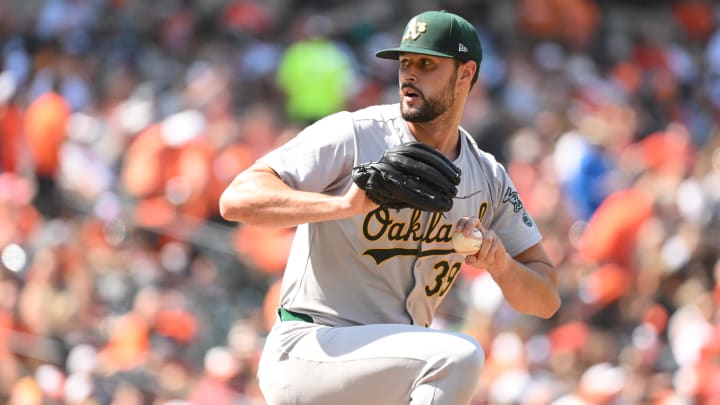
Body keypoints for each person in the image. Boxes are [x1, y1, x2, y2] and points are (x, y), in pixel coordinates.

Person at [219, 10, 560, 405]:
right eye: (404, 63)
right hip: (311, 347)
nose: (409, 75)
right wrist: (342, 205)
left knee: (445, 359)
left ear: (466, 74)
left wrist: (501, 264)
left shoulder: (488, 176)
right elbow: (237, 199)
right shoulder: (354, 134)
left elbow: (546, 297)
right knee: (458, 356)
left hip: (392, 371)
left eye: (426, 64)